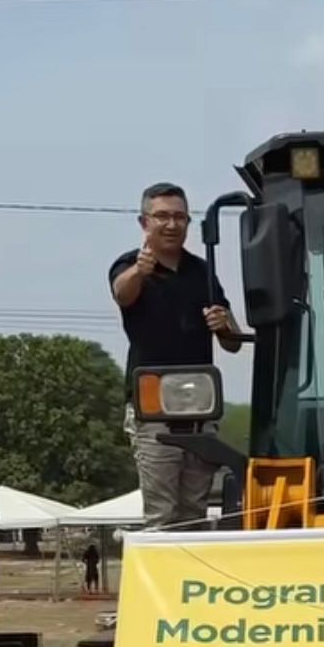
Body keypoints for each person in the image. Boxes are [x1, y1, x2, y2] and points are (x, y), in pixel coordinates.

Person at [109, 182, 243, 529]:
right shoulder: (129, 266)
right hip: (154, 409)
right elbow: (122, 295)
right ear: (144, 223)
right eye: (162, 217)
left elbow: (232, 341)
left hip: (200, 407)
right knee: (161, 512)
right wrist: (140, 271)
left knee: (194, 511)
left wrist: (224, 324)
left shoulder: (201, 271)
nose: (171, 224)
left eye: (179, 217)